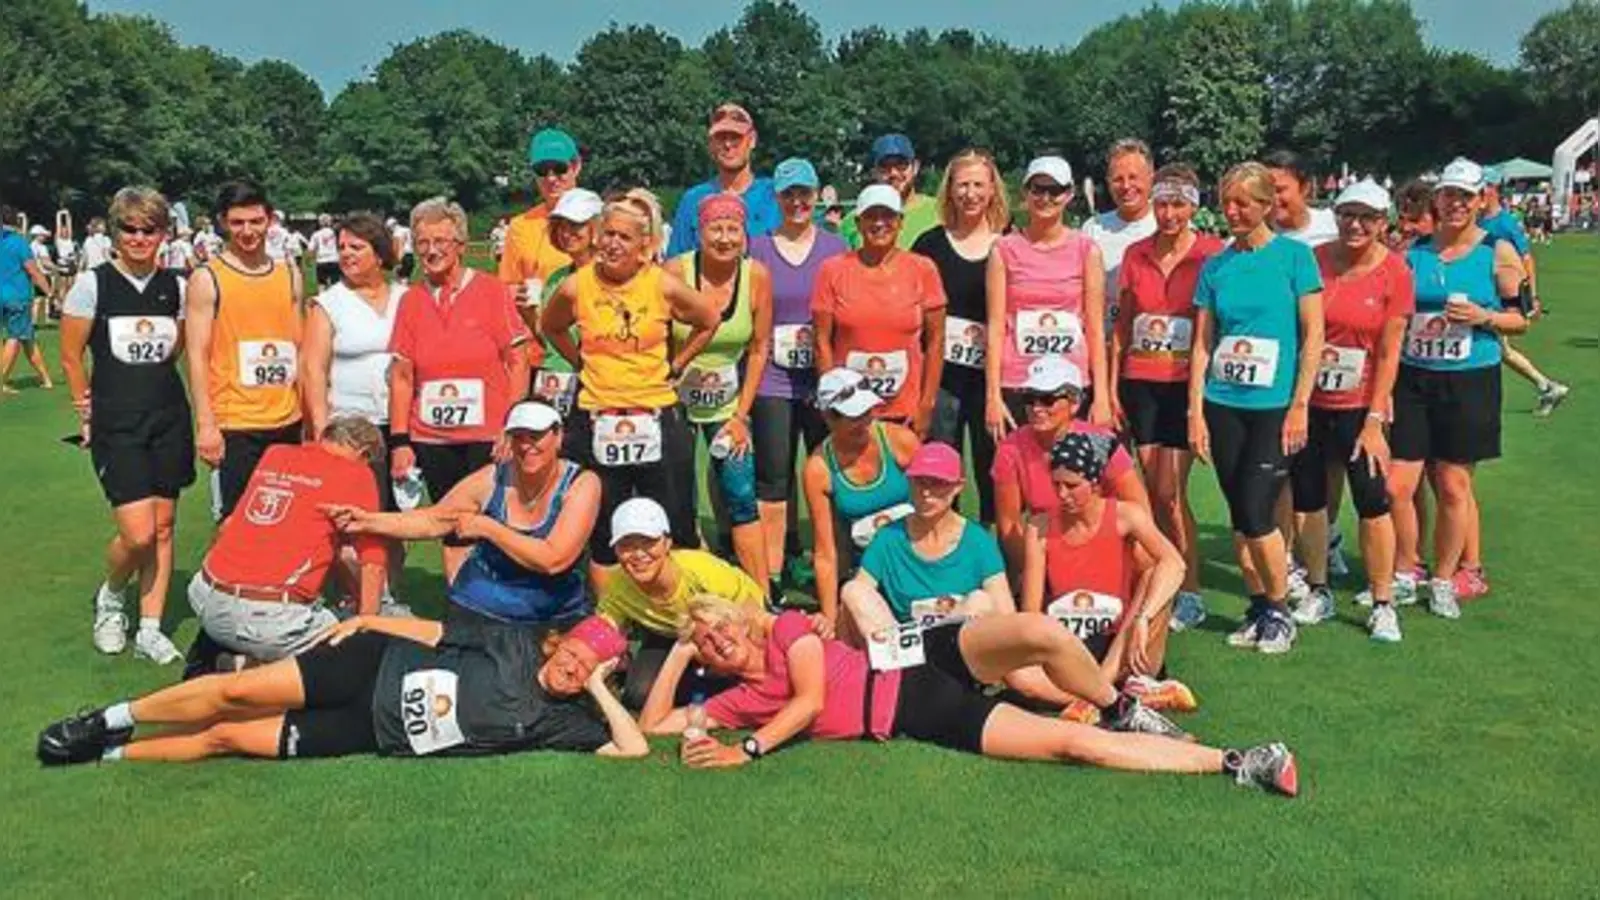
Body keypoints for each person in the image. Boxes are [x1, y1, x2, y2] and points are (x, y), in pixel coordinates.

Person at [637, 595, 1298, 798]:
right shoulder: (735, 701)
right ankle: (1242, 762)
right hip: (912, 711)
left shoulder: (785, 630)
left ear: (740, 618)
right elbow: (659, 724)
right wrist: (678, 650)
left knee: (1040, 631)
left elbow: (809, 702)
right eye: (707, 642)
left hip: (914, 656)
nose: (718, 641)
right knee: (1071, 744)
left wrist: (748, 752)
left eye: (719, 626)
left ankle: (1127, 707)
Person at [38, 612, 647, 765]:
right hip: (369, 665)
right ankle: (109, 717)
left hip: (369, 732)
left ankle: (109, 754)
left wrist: (597, 687)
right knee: (238, 693)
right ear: (557, 641)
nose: (572, 667)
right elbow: (435, 632)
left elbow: (635, 749)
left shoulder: (568, 721)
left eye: (586, 667)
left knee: (227, 738)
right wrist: (366, 622)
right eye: (574, 653)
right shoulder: (513, 641)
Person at [540, 191, 718, 574]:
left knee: (674, 523)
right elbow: (550, 326)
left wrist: (678, 363)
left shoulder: (661, 284)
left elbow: (709, 319)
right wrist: (579, 362)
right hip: (596, 415)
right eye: (608, 234)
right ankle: (611, 621)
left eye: (624, 237)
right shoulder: (576, 286)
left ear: (644, 247)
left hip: (655, 412)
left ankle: (678, 616)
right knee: (603, 528)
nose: (613, 244)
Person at [1188, 161, 1325, 656]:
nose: (1232, 212)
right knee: (1239, 515)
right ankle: (1258, 607)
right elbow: (1203, 345)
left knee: (1256, 509)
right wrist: (1194, 412)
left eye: (1243, 203)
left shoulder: (1294, 258)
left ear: (1267, 205)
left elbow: (1313, 338)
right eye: (1226, 202)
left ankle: (1281, 608)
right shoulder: (1216, 266)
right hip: (1223, 403)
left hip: (1274, 406)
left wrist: (1300, 406)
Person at [58, 187, 194, 664]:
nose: (139, 237)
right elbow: (71, 355)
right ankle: (112, 596)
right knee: (137, 533)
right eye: (129, 229)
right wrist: (85, 409)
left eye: (149, 229)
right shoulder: (92, 283)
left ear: (163, 233)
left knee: (163, 526)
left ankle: (152, 627)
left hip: (168, 416)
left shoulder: (176, 286)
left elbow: (173, 350)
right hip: (117, 422)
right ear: (115, 232)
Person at [1387, 158, 1527, 620]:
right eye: (1448, 195)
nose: (1455, 204)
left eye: (1465, 197)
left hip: (1470, 378)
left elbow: (1521, 318)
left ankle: (1445, 579)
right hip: (1414, 377)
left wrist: (1484, 318)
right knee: (1398, 483)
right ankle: (1407, 570)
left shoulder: (1497, 250)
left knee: (1452, 484)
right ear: (1438, 198)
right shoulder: (1414, 252)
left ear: (1480, 199)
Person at [326, 401, 600, 630]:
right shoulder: (492, 478)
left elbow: (553, 559)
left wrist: (486, 527)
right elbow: (435, 519)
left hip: (553, 615)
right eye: (519, 436)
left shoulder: (582, 484)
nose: (527, 445)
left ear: (559, 436)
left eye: (536, 436)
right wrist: (367, 520)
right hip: (481, 606)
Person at [1286, 180, 1412, 641]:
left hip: (1360, 406)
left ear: (1383, 222)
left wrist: (1376, 420)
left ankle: (1382, 601)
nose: (1355, 225)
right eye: (1347, 215)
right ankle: (1318, 588)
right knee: (1309, 497)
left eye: (1367, 217)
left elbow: (1388, 352)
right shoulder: (1314, 261)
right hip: (1310, 402)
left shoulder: (1395, 272)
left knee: (1372, 500)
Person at [387, 197, 531, 579]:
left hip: (488, 435)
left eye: (441, 242)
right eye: (422, 243)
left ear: (461, 246)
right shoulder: (411, 302)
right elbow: (401, 376)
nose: (431, 251)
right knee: (450, 525)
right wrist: (400, 440)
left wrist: (513, 425)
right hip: (432, 438)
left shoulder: (492, 292)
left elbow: (518, 362)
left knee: (493, 524)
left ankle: (500, 606)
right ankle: (460, 609)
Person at [182, 417, 389, 671]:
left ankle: (229, 660)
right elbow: (373, 563)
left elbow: (229, 526)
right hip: (267, 620)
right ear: (363, 453)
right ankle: (251, 668)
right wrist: (366, 630)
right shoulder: (357, 473)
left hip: (204, 595)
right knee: (351, 662)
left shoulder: (276, 454)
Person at [1112, 163, 1220, 631]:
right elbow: (1123, 325)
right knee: (1147, 493)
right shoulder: (1136, 254)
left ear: (1194, 207)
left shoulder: (1212, 255)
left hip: (1184, 385)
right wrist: (1114, 387)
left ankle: (1189, 589)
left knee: (1169, 493)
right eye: (1162, 203)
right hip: (1140, 382)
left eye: (1178, 204)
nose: (1169, 213)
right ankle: (1158, 578)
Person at [1021, 432, 1192, 707]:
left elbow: (1175, 564)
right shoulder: (1039, 527)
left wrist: (1143, 619)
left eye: (1072, 485)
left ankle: (1093, 697)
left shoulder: (1126, 516)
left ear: (1094, 483)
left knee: (1153, 576)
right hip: (1069, 646)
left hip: (1120, 642)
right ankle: (1114, 697)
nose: (1063, 495)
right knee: (1016, 673)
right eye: (1057, 485)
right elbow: (1031, 612)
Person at [748, 158, 848, 600]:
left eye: (804, 193)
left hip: (822, 378)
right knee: (774, 478)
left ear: (816, 194)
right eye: (789, 194)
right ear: (777, 198)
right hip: (772, 378)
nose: (797, 202)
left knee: (829, 473)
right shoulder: (758, 248)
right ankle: (774, 574)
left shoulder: (835, 246)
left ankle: (834, 562)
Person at [665, 194, 772, 588]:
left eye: (733, 229)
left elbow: (760, 349)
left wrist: (741, 415)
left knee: (741, 494)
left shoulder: (756, 275)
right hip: (675, 401)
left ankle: (761, 595)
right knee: (679, 498)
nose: (725, 238)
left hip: (727, 404)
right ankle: (690, 590)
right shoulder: (675, 271)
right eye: (716, 228)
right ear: (699, 232)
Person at [185, 179, 304, 520]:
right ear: (223, 223)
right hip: (236, 422)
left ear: (270, 219)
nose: (248, 231)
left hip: (287, 420)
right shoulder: (208, 279)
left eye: (256, 221)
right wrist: (206, 424)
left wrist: (309, 414)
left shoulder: (289, 274)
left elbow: (300, 349)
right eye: (238, 223)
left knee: (286, 518)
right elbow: (196, 355)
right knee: (236, 523)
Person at [594, 497, 768, 708]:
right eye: (627, 546)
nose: (639, 554)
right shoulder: (618, 586)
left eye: (648, 542)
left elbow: (753, 614)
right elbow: (602, 631)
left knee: (754, 674)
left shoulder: (701, 569)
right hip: (672, 635)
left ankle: (720, 683)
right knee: (638, 694)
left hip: (731, 629)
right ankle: (707, 683)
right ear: (616, 550)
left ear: (667, 543)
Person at [913, 148, 1009, 521]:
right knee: (940, 465)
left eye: (978, 185)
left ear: (992, 190)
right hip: (941, 378)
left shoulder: (1009, 243)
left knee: (995, 466)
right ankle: (941, 542)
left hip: (993, 378)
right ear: (949, 190)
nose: (970, 194)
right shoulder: (929, 245)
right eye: (962, 185)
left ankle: (993, 552)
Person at [988, 156, 1111, 441]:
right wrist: (993, 396)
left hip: (1070, 383)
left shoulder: (1086, 250)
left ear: (1068, 195)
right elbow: (995, 328)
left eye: (1054, 191)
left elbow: (1094, 326)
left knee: (1070, 478)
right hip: (1017, 381)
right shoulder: (1004, 250)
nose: (1045, 198)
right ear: (1025, 194)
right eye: (1037, 189)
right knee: (1019, 476)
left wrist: (1101, 396)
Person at [840, 443, 1014, 637]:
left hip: (961, 643)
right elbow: (858, 596)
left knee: (981, 601)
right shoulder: (888, 537)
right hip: (903, 642)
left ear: (958, 486)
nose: (926, 492)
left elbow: (1005, 612)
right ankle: (887, 661)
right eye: (920, 482)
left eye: (937, 483)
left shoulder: (978, 541)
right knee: (852, 589)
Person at [813, 183, 947, 433]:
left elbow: (936, 341)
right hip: (849, 411)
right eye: (871, 216)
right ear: (858, 222)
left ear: (901, 221)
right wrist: (831, 399)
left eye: (888, 216)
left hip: (905, 411)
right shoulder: (832, 270)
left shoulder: (923, 269)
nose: (879, 223)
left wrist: (926, 404)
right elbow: (821, 342)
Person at [992, 357, 1146, 575]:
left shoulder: (1102, 442)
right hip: (1047, 549)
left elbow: (1138, 508)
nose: (1037, 408)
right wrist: (1038, 573)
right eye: (1030, 398)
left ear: (1075, 403)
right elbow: (1009, 527)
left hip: (1104, 543)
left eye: (1047, 399)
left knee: (1146, 558)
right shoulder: (1011, 449)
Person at [801, 368, 920, 630]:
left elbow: (937, 508)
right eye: (855, 415)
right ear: (828, 417)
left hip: (918, 558)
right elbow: (825, 551)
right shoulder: (818, 469)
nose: (865, 421)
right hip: (868, 574)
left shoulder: (901, 441)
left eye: (868, 411)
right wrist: (829, 617)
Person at [1479, 166, 1568, 418]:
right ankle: (1546, 386)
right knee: (1500, 348)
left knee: (1497, 347)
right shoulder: (1477, 220)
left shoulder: (1506, 223)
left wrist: (1531, 298)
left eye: (1482, 188)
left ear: (1493, 189)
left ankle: (1546, 386)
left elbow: (1527, 260)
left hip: (1499, 295)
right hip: (1485, 290)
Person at [666, 103, 781, 257]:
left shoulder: (776, 195)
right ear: (711, 144)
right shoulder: (693, 200)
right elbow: (674, 266)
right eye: (721, 138)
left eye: (736, 137)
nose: (728, 145)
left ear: (752, 140)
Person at [528, 187, 604, 417]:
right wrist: (527, 313)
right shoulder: (555, 279)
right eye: (562, 225)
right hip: (553, 381)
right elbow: (546, 337)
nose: (567, 233)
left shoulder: (612, 277)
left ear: (596, 228)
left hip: (597, 384)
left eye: (576, 225)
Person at [499, 127, 585, 308]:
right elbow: (506, 288)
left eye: (559, 168)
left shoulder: (601, 218)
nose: (551, 178)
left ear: (576, 167)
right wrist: (519, 295)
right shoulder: (520, 226)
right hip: (537, 327)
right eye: (542, 170)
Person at [1082, 138, 1158, 326]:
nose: (1126, 186)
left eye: (1133, 177)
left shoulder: (1169, 225)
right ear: (1108, 183)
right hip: (1105, 342)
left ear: (1151, 177)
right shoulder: (1093, 229)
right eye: (1118, 179)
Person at [840, 134, 940, 249]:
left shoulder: (940, 212)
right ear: (874, 172)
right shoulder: (854, 220)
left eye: (901, 165)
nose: (893, 173)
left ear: (915, 167)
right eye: (884, 167)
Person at [0, 208, 55, 393]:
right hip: (17, 297)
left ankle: (45, 378)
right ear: (15, 221)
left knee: (28, 338)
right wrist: (50, 293)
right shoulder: (19, 243)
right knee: (15, 337)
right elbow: (33, 271)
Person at [1265, 150, 1338, 248]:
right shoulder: (1258, 237)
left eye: (1279, 190)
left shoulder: (1333, 225)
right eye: (1266, 190)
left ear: (1305, 188)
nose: (1272, 198)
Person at [308, 213, 340, 290]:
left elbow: (311, 249)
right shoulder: (335, 233)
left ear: (319, 223)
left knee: (321, 284)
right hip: (334, 259)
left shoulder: (316, 234)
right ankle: (335, 299)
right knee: (335, 283)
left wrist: (311, 260)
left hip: (321, 260)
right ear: (330, 222)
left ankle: (322, 299)